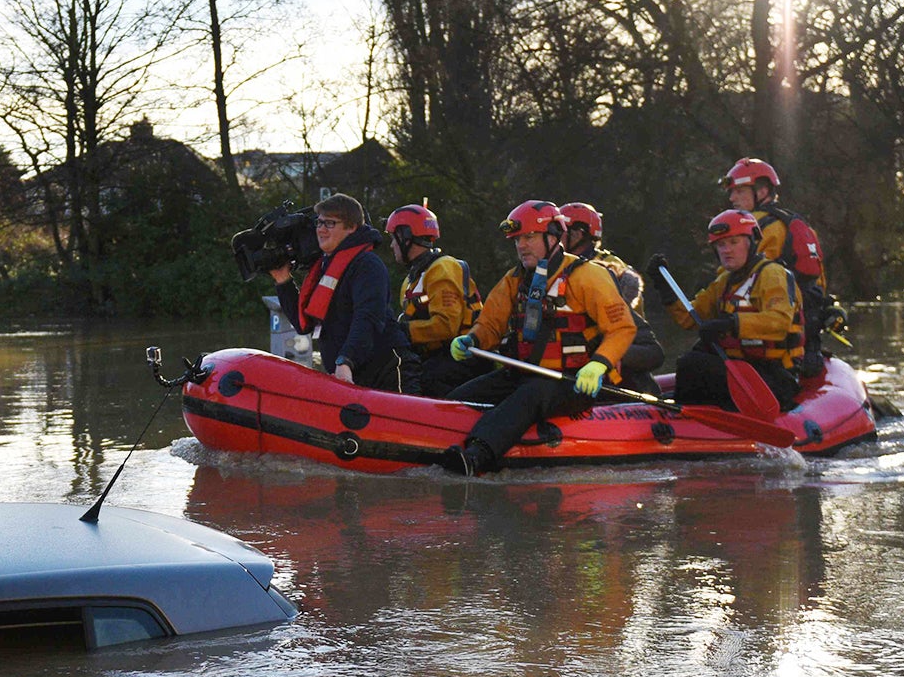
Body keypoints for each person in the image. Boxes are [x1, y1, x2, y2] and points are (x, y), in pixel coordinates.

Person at [439, 200, 637, 475]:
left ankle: (477, 456)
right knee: (462, 396)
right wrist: (473, 340)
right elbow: (491, 324)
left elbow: (622, 328)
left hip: (574, 381)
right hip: (525, 372)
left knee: (531, 395)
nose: (521, 245)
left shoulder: (588, 275)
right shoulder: (514, 279)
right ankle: (435, 441)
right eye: (517, 239)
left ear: (554, 236)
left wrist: (599, 364)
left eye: (529, 237)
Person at [653, 208, 806, 412]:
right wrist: (665, 288)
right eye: (721, 245)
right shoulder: (724, 282)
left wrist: (731, 324)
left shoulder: (772, 275)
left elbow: (779, 323)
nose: (726, 250)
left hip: (775, 375)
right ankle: (686, 418)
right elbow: (690, 318)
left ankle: (691, 419)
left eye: (734, 242)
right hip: (740, 368)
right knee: (690, 361)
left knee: (693, 365)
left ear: (751, 242)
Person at [719, 157, 844, 373]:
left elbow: (729, 280)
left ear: (762, 190)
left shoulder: (755, 228)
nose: (732, 198)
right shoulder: (801, 226)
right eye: (731, 192)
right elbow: (819, 283)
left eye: (739, 191)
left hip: (766, 347)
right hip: (807, 343)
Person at [270, 194, 399, 391]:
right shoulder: (324, 267)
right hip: (343, 377)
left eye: (329, 223)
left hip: (381, 375)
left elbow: (368, 319)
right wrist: (283, 281)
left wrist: (346, 360)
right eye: (319, 223)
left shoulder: (368, 265)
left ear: (351, 227)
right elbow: (303, 324)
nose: (320, 229)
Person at [557, 201, 664, 391]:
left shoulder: (608, 267)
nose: (555, 238)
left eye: (561, 232)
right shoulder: (559, 268)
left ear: (578, 234)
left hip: (618, 339)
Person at [386, 202, 481, 397]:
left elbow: (447, 326)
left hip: (464, 357)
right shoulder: (412, 279)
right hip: (435, 357)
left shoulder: (442, 269)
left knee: (421, 379)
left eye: (393, 238)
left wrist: (403, 331)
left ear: (405, 237)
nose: (391, 245)